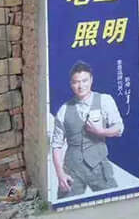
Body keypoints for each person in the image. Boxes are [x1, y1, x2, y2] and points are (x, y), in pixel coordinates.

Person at [50, 61, 124, 199]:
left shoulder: (105, 100)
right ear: (71, 84)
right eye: (76, 82)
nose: (81, 86)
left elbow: (119, 128)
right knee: (65, 205)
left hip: (99, 166)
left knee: (113, 200)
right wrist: (60, 174)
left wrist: (101, 132)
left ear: (91, 80)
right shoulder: (63, 110)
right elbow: (56, 145)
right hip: (72, 169)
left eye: (84, 81)